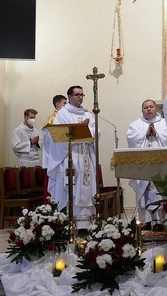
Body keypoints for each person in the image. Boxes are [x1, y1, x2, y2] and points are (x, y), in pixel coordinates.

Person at [47, 86, 99, 228]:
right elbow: (58, 135)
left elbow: (96, 131)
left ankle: (86, 224)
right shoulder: (62, 114)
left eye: (82, 94)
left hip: (86, 155)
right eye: (77, 94)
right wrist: (79, 129)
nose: (80, 97)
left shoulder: (87, 114)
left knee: (86, 187)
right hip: (70, 156)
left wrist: (88, 130)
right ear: (69, 97)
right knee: (71, 188)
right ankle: (69, 223)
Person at [127, 99, 167, 226]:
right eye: (146, 107)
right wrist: (144, 134)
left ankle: (161, 221)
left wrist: (157, 133)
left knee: (159, 191)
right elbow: (131, 138)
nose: (149, 109)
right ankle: (146, 220)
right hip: (144, 165)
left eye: (151, 106)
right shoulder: (135, 125)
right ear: (142, 110)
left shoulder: (165, 123)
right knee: (146, 191)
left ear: (156, 108)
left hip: (160, 164)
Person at [42, 94, 67, 168]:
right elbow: (49, 139)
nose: (66, 106)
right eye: (64, 103)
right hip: (55, 155)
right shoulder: (52, 119)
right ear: (57, 104)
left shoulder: (63, 117)